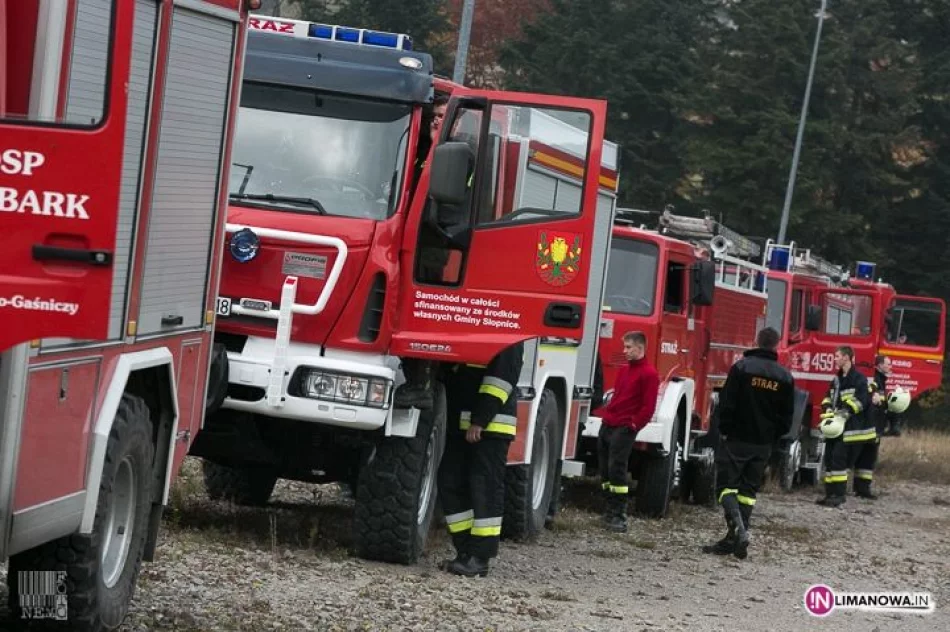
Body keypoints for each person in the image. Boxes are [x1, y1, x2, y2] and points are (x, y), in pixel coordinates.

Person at [702, 327, 794, 560]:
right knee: (748, 492)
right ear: (776, 345)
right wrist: (773, 438)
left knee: (725, 488)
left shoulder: (741, 368)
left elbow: (727, 403)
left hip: (737, 439)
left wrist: (723, 430)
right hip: (763, 444)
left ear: (756, 341)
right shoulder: (785, 377)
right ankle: (734, 538)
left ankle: (739, 532)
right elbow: (787, 417)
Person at [437, 342, 524, 577]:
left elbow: (501, 380)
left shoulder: (510, 331)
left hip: (490, 427)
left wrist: (481, 419)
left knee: (485, 489)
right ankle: (465, 552)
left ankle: (480, 558)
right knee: (450, 481)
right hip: (463, 423)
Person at [597, 331, 660, 533]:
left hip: (624, 427)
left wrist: (633, 425)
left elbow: (648, 407)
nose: (624, 351)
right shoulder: (624, 371)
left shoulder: (649, 374)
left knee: (617, 468)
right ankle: (608, 510)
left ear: (640, 348)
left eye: (628, 347)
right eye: (624, 347)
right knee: (605, 469)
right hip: (609, 424)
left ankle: (619, 515)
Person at [816, 346, 871, 508]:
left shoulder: (859, 379)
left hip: (849, 427)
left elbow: (862, 401)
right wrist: (826, 408)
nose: (834, 359)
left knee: (839, 461)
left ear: (846, 357)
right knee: (829, 460)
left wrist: (845, 410)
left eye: (837, 356)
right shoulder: (837, 379)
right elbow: (828, 397)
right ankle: (829, 494)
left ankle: (839, 496)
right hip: (835, 426)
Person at [852, 355, 891, 499]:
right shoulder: (875, 379)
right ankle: (863, 489)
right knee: (868, 457)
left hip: (873, 424)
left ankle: (860, 487)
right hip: (872, 425)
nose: (890, 366)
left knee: (865, 456)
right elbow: (873, 400)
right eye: (888, 363)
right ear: (879, 365)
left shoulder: (880, 379)